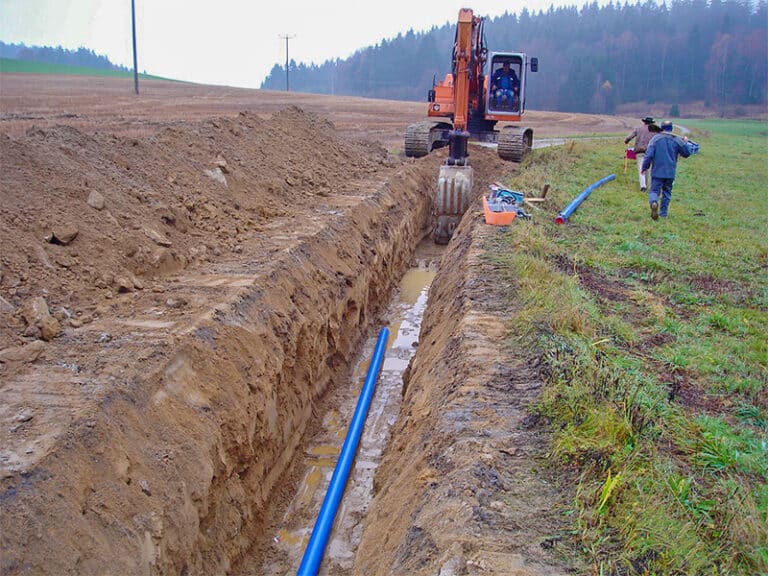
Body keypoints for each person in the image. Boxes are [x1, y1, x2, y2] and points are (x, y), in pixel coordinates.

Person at [641, 120, 691, 220]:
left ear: (661, 128)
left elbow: (649, 155)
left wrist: (644, 167)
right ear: (671, 129)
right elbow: (686, 153)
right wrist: (685, 142)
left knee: (654, 191)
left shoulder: (655, 139)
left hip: (657, 171)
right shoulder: (677, 140)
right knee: (667, 193)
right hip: (670, 172)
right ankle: (663, 215)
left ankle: (654, 202)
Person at [624, 116, 656, 192]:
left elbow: (629, 137)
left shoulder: (638, 129)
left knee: (641, 169)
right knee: (649, 169)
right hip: (650, 152)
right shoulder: (654, 131)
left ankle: (643, 186)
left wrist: (626, 141)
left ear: (644, 122)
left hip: (639, 152)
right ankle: (649, 186)